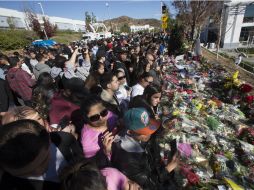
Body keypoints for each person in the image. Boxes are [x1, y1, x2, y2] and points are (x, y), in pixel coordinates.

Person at [0, 119, 83, 190]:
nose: (39, 172)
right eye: (26, 174)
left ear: (49, 140)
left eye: (43, 161)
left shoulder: (64, 139)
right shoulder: (8, 186)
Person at [111, 108, 179, 190]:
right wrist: (168, 168)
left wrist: (166, 123)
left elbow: (155, 132)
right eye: (145, 132)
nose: (149, 134)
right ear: (130, 132)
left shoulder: (139, 137)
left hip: (156, 169)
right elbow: (148, 185)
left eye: (150, 128)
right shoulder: (127, 159)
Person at [80, 96, 118, 168]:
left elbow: (117, 120)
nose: (101, 118)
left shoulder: (109, 115)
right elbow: (93, 164)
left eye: (103, 112)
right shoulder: (87, 138)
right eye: (94, 117)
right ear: (86, 119)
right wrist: (106, 151)